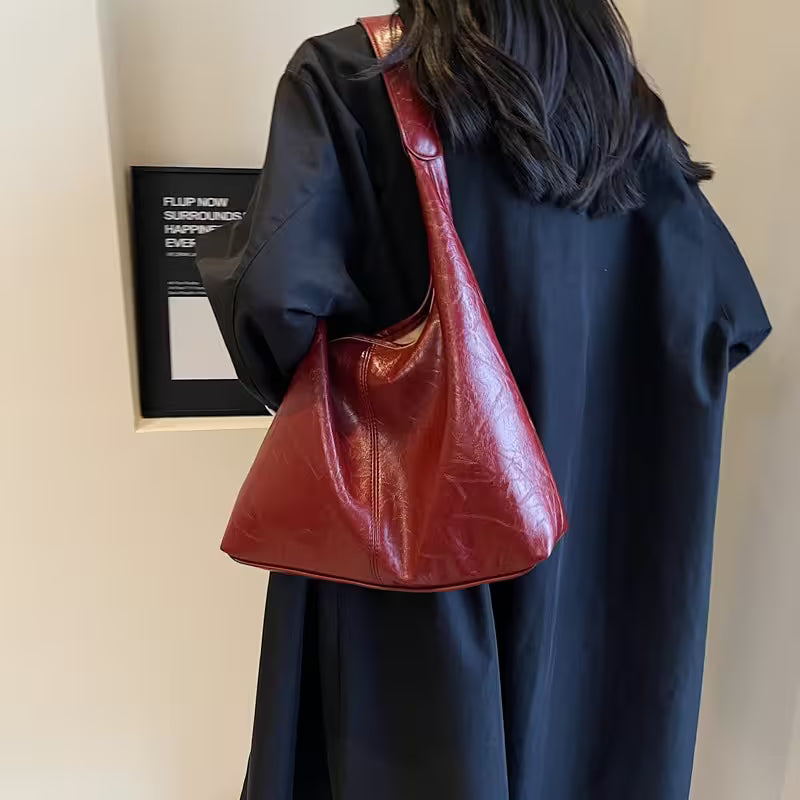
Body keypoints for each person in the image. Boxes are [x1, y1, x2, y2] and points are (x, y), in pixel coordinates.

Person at [196, 2, 771, 798]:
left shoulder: (350, 79)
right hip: (601, 588)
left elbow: (275, 301)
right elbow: (723, 316)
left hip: (416, 572)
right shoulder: (620, 111)